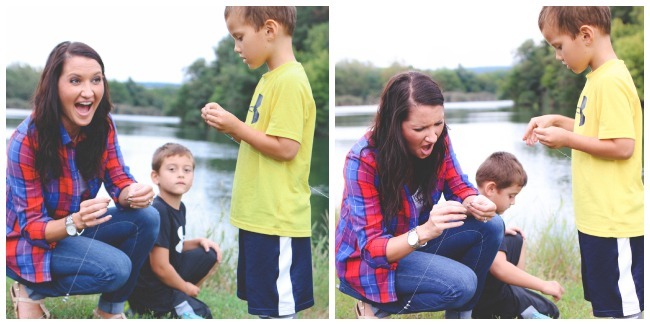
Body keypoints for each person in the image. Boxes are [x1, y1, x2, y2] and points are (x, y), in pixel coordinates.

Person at [6, 41, 160, 319]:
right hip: (28, 243)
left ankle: (109, 311)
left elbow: (119, 180)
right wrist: (76, 221)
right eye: (75, 81)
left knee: (148, 216)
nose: (88, 92)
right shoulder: (25, 141)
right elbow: (32, 227)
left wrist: (134, 193)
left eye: (96, 80)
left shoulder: (103, 125)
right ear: (54, 86)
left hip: (72, 230)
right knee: (116, 268)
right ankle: (30, 289)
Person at [335, 71, 504, 319]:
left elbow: (458, 184)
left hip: (412, 241)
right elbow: (372, 249)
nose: (432, 136)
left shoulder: (438, 141)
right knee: (463, 284)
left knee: (492, 226)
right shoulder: (363, 161)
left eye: (438, 124)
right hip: (368, 262)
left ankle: (461, 319)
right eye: (420, 128)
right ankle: (375, 304)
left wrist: (474, 201)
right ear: (394, 125)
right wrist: (425, 231)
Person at [523, 7, 643, 319]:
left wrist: (567, 140)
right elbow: (595, 131)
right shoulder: (596, 79)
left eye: (559, 46)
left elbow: (622, 146)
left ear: (586, 35)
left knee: (626, 311)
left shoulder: (612, 80)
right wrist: (560, 122)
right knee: (606, 308)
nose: (558, 56)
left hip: (615, 223)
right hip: (596, 221)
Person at [200, 6, 316, 319]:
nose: (236, 48)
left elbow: (287, 148)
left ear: (269, 30)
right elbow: (263, 140)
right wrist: (231, 129)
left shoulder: (290, 81)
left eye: (239, 37)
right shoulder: (269, 79)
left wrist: (236, 125)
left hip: (277, 218)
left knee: (279, 312)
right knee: (267, 308)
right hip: (259, 217)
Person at [128, 143, 222, 319]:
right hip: (150, 287)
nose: (181, 174)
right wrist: (185, 287)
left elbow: (172, 245)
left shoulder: (180, 208)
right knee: (203, 314)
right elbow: (160, 266)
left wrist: (198, 241)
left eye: (187, 170)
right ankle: (147, 307)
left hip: (163, 280)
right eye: (172, 169)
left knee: (207, 253)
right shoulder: (158, 211)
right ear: (156, 177)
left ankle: (177, 295)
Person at [471, 152, 564, 319]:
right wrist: (544, 285)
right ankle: (512, 306)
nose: (513, 202)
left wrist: (502, 232)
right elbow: (499, 268)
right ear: (491, 188)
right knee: (550, 310)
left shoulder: (472, 205)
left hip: (482, 287)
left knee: (516, 238)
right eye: (511, 196)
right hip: (482, 301)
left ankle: (517, 291)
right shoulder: (489, 222)